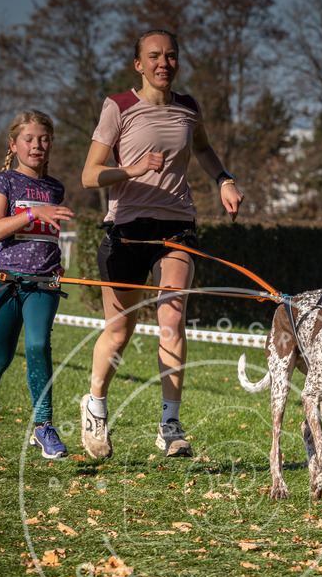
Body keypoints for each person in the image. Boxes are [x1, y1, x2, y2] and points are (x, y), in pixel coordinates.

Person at [80, 29, 244, 460]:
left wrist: (223, 180)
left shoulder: (188, 108)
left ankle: (170, 425)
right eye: (154, 56)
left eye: (170, 56)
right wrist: (131, 169)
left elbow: (204, 149)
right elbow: (89, 174)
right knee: (119, 333)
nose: (163, 63)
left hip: (176, 227)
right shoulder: (118, 107)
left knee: (171, 318)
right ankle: (95, 404)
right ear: (139, 64)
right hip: (128, 230)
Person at [0, 110, 75, 459]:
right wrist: (33, 213)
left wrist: (57, 263)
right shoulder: (4, 182)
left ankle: (43, 427)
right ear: (14, 144)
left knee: (37, 346)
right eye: (29, 139)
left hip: (43, 286)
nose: (37, 145)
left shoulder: (55, 187)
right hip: (5, 285)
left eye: (44, 139)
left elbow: (46, 240)